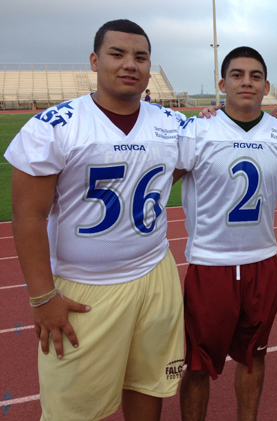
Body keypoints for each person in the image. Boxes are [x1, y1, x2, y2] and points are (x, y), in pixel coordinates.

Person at [5, 19, 185, 421]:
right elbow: (28, 216)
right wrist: (42, 296)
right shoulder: (55, 126)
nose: (129, 64)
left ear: (149, 66)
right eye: (117, 54)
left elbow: (190, 163)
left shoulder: (173, 126)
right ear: (94, 60)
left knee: (148, 383)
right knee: (72, 410)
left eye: (140, 57)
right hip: (84, 287)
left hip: (155, 275)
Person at [175, 46, 277, 421]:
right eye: (238, 74)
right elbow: (167, 179)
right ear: (222, 83)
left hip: (262, 261)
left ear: (266, 85)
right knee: (198, 365)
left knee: (253, 357)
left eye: (255, 76)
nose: (247, 82)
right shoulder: (199, 129)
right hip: (211, 265)